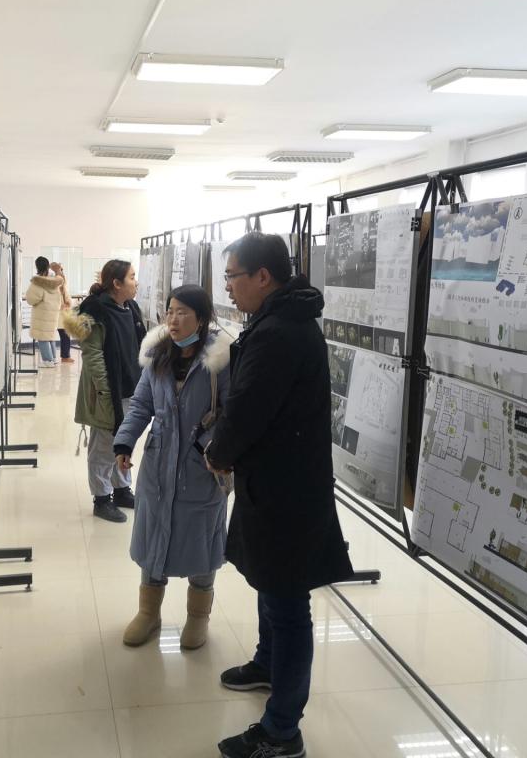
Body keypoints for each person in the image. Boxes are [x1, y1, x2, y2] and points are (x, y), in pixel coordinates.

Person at [203, 232, 354, 758]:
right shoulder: (280, 321)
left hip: (286, 491)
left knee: (288, 602)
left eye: (232, 277)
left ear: (262, 277)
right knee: (270, 583)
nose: (228, 287)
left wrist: (219, 452)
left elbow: (248, 409)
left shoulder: (280, 332)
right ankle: (269, 664)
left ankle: (282, 731)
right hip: (275, 481)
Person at [113, 285, 231, 650]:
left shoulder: (221, 361)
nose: (173, 320)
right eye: (170, 311)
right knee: (154, 538)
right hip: (158, 464)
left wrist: (211, 446)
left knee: (201, 542)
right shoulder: (158, 355)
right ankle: (149, 613)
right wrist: (124, 441)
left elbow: (232, 413)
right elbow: (141, 404)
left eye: (182, 312)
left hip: (202, 466)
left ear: (202, 318)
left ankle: (198, 617)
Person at [64, 260, 145, 522]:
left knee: (125, 439)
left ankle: (121, 489)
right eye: (132, 277)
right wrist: (104, 392)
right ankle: (101, 498)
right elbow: (93, 355)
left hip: (130, 387)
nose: (136, 282)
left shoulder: (131, 307)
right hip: (107, 391)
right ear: (117, 283)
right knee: (103, 446)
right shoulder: (96, 310)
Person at [24, 256, 65, 368]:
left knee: (42, 337)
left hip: (42, 314)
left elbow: (31, 299)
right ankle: (53, 359)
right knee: (50, 336)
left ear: (37, 266)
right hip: (53, 313)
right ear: (48, 266)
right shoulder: (54, 280)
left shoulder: (38, 282)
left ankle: (48, 360)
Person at [52, 261, 75, 363]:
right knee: (65, 335)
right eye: (60, 269)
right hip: (60, 314)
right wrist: (62, 305)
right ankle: (65, 356)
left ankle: (64, 356)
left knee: (65, 335)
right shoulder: (57, 282)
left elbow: (66, 296)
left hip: (63, 313)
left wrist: (68, 303)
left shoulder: (61, 282)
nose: (62, 271)